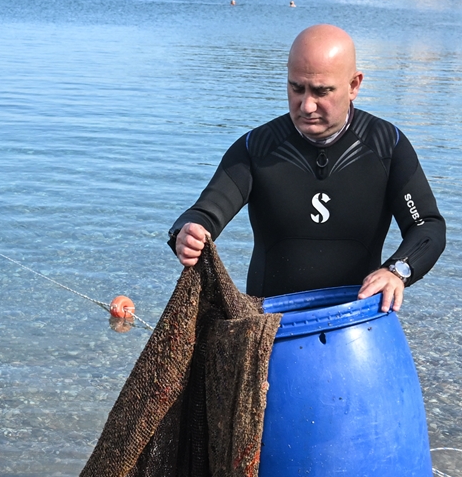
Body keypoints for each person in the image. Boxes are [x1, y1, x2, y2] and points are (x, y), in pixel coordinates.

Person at [169, 25, 445, 312]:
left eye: (322, 91)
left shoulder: (386, 146)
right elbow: (203, 214)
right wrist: (186, 233)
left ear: (354, 85)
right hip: (269, 325)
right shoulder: (257, 148)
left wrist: (397, 270)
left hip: (357, 321)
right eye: (296, 88)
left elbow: (427, 226)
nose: (307, 106)